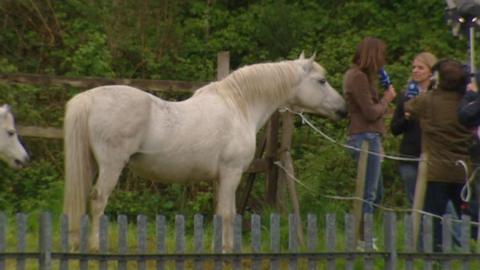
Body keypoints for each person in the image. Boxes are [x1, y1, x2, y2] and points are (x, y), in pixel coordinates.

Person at [404, 59, 473, 251]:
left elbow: (408, 107)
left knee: (433, 218)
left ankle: (435, 255)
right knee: (468, 216)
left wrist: (430, 89)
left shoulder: (429, 100)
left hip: (437, 169)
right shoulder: (466, 101)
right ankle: (470, 249)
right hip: (463, 170)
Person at [343, 37, 397, 227]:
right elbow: (370, 112)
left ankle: (362, 232)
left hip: (369, 136)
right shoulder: (358, 77)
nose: (384, 60)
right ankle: (363, 237)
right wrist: (386, 99)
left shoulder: (359, 76)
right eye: (381, 55)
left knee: (377, 192)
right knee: (369, 193)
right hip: (365, 136)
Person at [390, 52, 437, 205]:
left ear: (431, 71)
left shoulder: (437, 96)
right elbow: (395, 129)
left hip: (432, 156)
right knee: (415, 203)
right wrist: (406, 117)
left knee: (434, 202)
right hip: (409, 157)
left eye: (420, 68)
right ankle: (419, 230)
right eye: (414, 67)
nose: (415, 71)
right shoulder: (405, 96)